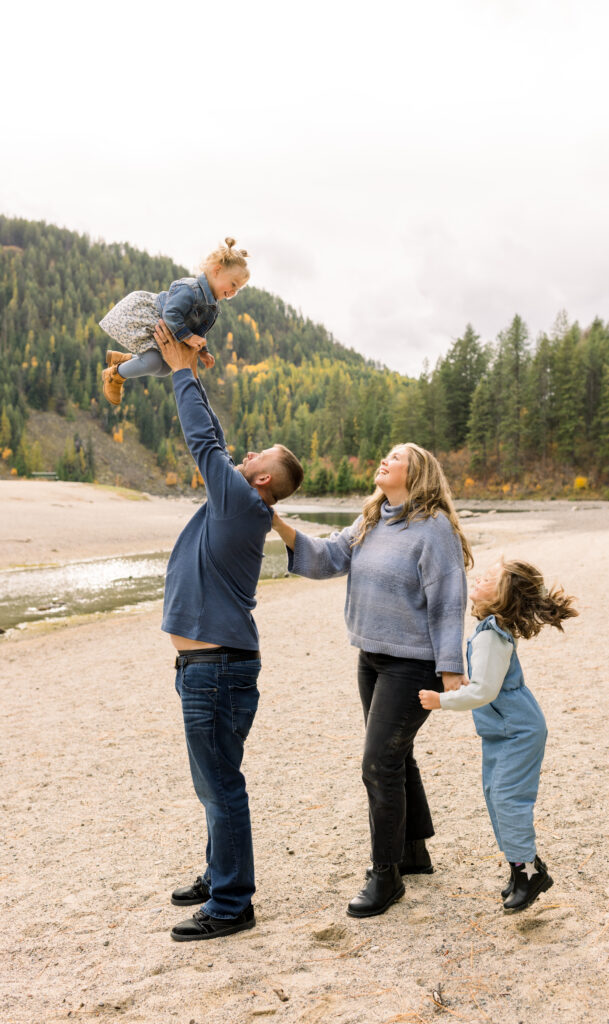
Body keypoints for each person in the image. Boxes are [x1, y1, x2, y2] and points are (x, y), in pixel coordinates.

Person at [270, 444, 473, 918]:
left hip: (412, 663)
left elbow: (448, 599)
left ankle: (386, 875)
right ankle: (413, 852)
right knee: (395, 757)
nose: (384, 460)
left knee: (378, 764)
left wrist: (451, 668)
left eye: (395, 457)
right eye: (383, 455)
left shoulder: (434, 529)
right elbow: (324, 558)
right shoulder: (372, 520)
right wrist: (276, 522)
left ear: (416, 472)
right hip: (372, 658)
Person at [152, 319, 303, 942]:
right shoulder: (240, 502)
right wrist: (193, 366)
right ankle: (220, 874)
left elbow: (203, 442)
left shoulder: (241, 501)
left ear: (263, 480)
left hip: (216, 667)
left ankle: (232, 903)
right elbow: (215, 441)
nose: (244, 457)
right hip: (208, 665)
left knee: (220, 783)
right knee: (211, 778)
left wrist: (182, 371)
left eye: (255, 459)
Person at [419, 559, 578, 912]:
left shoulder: (492, 634)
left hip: (517, 732)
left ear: (503, 594)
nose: (479, 577)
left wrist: (441, 700)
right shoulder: (488, 629)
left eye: (490, 578)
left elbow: (485, 693)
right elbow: (485, 683)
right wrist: (467, 682)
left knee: (508, 800)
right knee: (496, 797)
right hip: (501, 732)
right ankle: (520, 868)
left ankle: (529, 873)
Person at [99, 237, 250, 406]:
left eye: (238, 289)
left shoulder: (212, 306)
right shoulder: (190, 289)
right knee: (153, 362)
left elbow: (198, 332)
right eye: (233, 284)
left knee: (165, 368)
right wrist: (187, 338)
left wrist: (202, 351)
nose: (233, 292)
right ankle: (114, 375)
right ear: (217, 270)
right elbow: (171, 314)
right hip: (148, 317)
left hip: (166, 329)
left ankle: (125, 360)